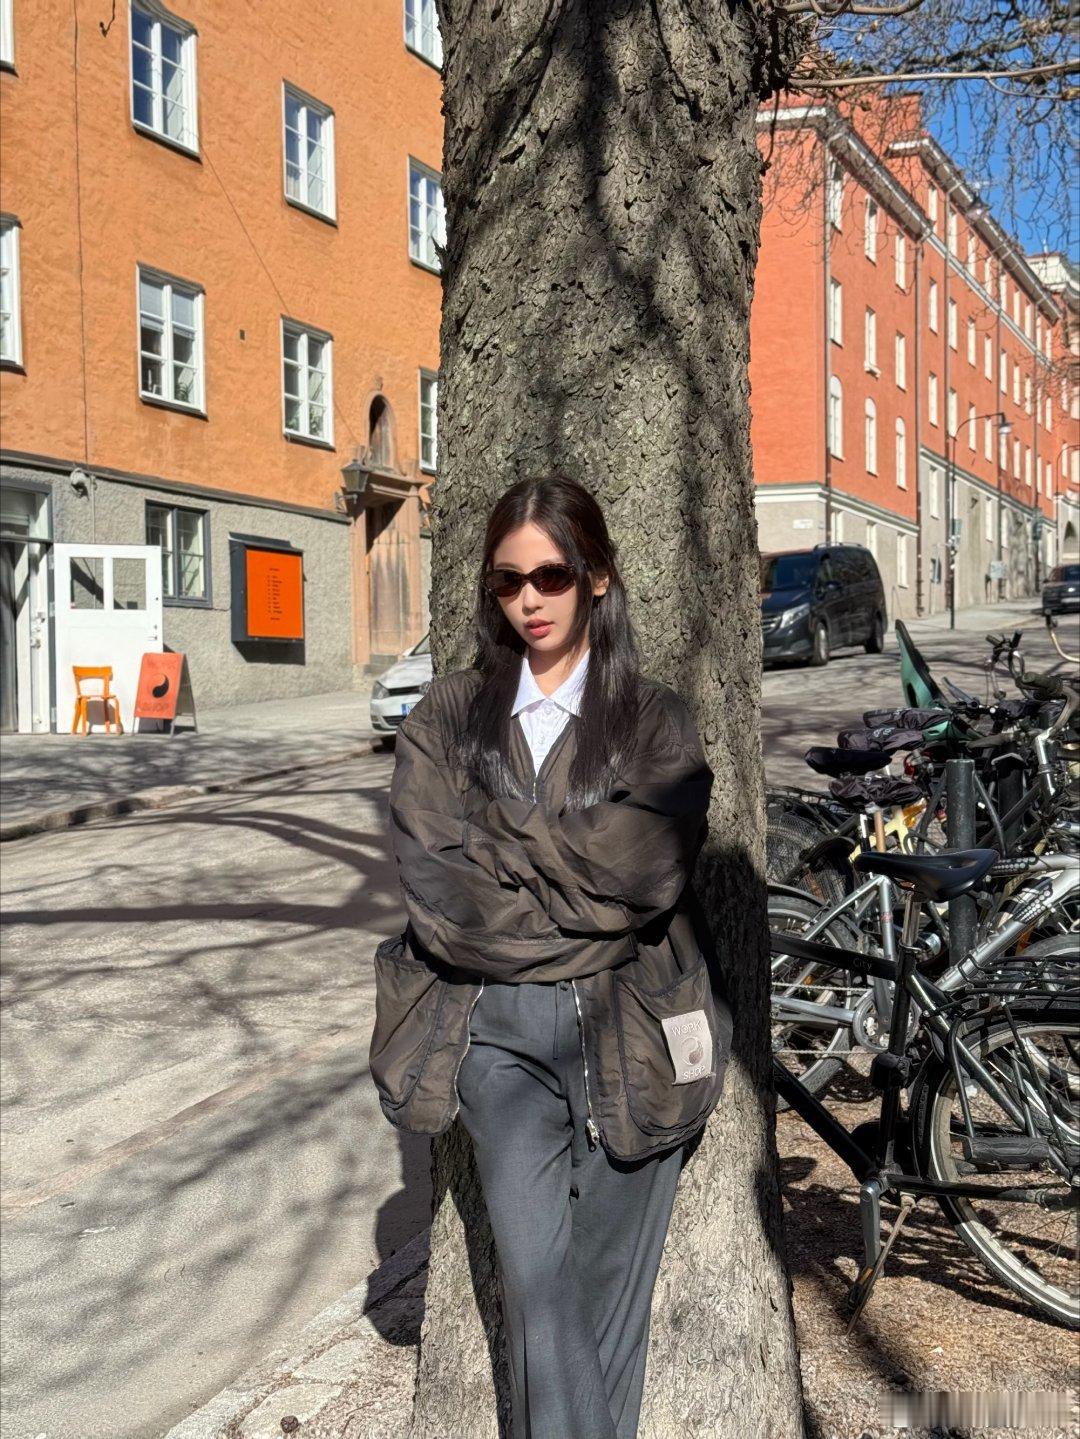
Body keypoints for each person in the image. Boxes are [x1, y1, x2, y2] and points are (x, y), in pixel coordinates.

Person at [370, 476, 733, 1439]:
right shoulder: (448, 718)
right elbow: (440, 895)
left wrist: (500, 840)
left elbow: (645, 875)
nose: (529, 599)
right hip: (494, 1035)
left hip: (635, 1033)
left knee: (607, 1306)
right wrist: (578, 871)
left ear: (596, 576)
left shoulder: (654, 720)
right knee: (538, 1290)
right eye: (507, 580)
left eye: (552, 576)